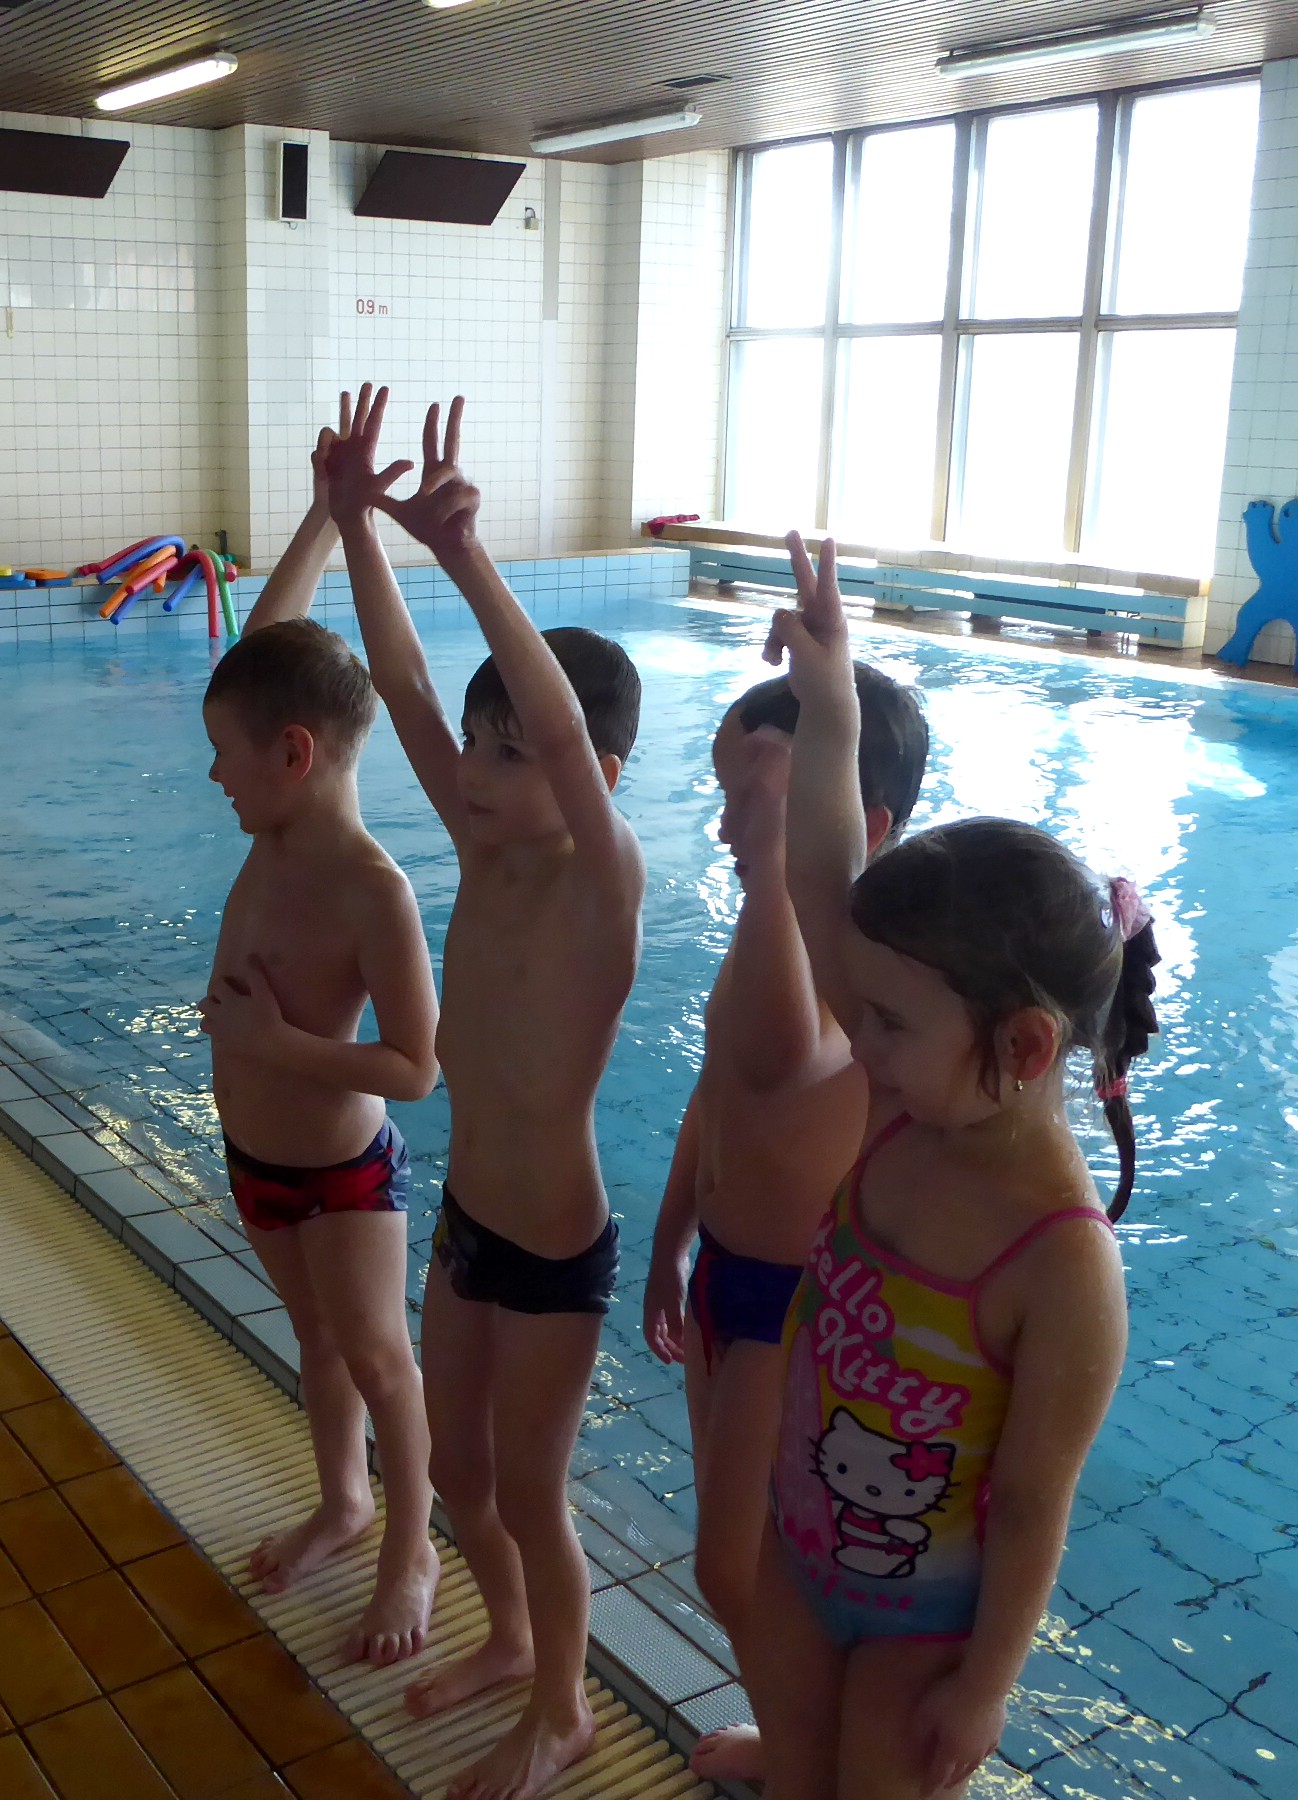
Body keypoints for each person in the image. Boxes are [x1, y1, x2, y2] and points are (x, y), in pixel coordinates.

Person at [741, 532, 1159, 1800]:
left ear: (1022, 1048)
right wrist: (830, 699)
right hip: (799, 1551)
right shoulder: (903, 1105)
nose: (856, 1040)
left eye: (888, 1022)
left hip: (928, 1626)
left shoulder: (1062, 1264)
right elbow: (825, 886)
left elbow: (1031, 1502)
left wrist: (987, 1682)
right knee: (798, 1775)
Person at [323, 384, 645, 1800]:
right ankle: (511, 1641)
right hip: (468, 1218)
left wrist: (468, 559)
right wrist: (354, 527)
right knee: (458, 1471)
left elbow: (561, 740)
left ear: (595, 776)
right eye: (478, 744)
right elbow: (399, 682)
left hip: (557, 1245)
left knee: (530, 1490)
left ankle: (563, 1708)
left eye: (511, 752)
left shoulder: (604, 883)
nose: (480, 770)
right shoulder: (483, 852)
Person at [644, 662, 928, 1784]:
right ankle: (794, 1740)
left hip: (795, 1311)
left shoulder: (858, 969)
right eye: (724, 797)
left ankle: (807, 1762)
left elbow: (775, 1051)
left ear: (860, 825)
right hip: (725, 1278)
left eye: (751, 800)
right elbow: (721, 1088)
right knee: (748, 1566)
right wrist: (670, 1235)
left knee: (740, 1568)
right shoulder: (768, 932)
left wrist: (782, 850)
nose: (723, 827)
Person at [198, 401, 442, 1669]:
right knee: (317, 1344)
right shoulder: (279, 817)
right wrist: (321, 515)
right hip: (259, 1158)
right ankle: (343, 1501)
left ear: (292, 756)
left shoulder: (371, 892)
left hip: (343, 1172)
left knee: (380, 1358)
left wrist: (276, 1048)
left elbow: (417, 1067)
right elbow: (263, 653)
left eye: (224, 757)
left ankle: (412, 1546)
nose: (215, 777)